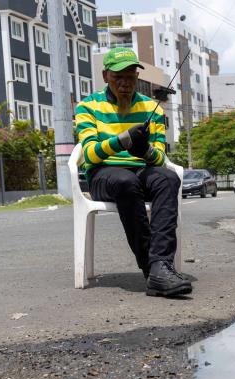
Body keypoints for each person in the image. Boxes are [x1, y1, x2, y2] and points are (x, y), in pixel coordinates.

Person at [74, 47, 191, 297]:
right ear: (105, 76)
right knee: (126, 182)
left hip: (141, 169)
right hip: (103, 174)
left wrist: (144, 150)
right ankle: (153, 269)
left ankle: (161, 264)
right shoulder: (87, 107)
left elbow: (160, 158)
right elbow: (90, 154)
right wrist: (123, 140)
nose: (126, 83)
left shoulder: (153, 109)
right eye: (119, 78)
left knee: (168, 178)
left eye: (131, 77)